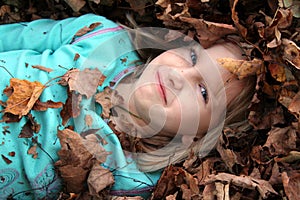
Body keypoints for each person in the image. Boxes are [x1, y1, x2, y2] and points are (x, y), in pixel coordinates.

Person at [0, 14, 255, 199]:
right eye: (193, 57)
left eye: (202, 91)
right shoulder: (106, 38)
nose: (180, 76)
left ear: (205, 134)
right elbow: (14, 36)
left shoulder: (137, 180)